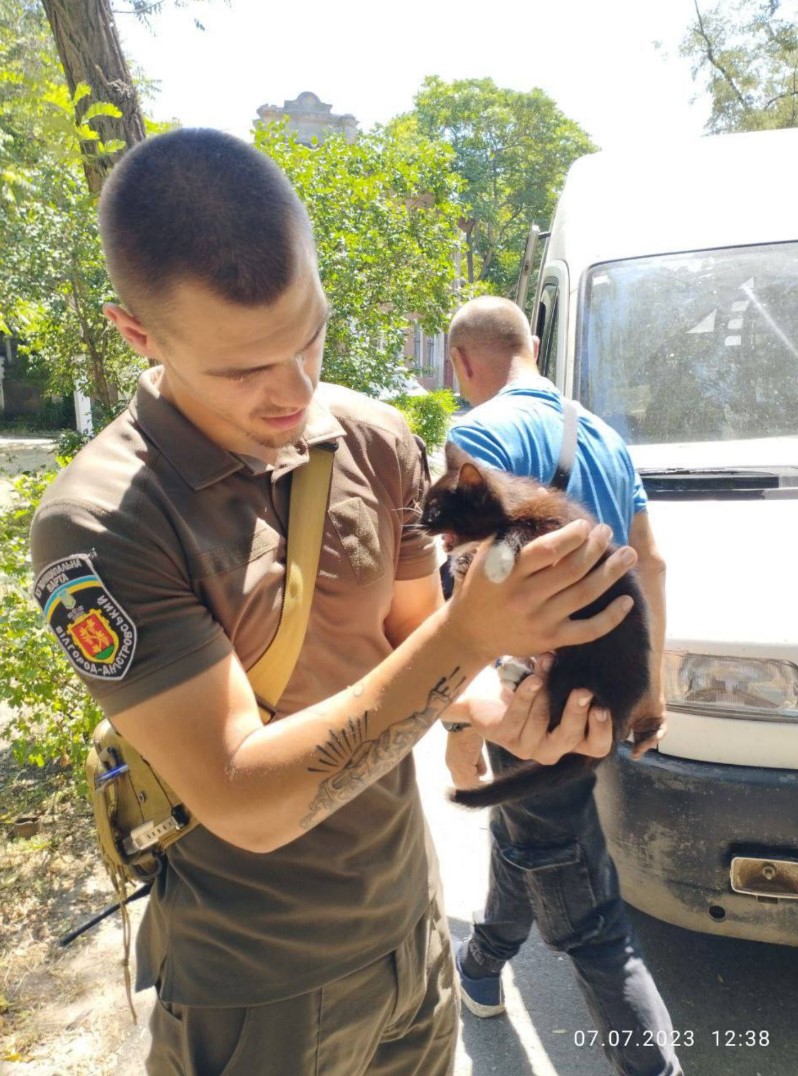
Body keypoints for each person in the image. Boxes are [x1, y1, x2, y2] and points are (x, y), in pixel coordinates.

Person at [28, 130, 639, 1076]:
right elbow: (244, 800)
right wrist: (473, 631)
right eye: (242, 369)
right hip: (256, 988)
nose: (296, 389)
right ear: (138, 334)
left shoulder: (372, 439)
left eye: (309, 332)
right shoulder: (100, 524)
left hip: (412, 938)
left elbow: (411, 645)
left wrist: (509, 708)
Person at [444, 296, 682, 1076]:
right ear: (534, 347)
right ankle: (482, 964)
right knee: (538, 831)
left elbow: (464, 601)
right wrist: (649, 693)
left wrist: (462, 729)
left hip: (531, 703)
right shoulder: (605, 436)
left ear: (461, 363)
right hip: (605, 688)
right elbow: (649, 561)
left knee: (590, 919)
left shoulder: (476, 438)